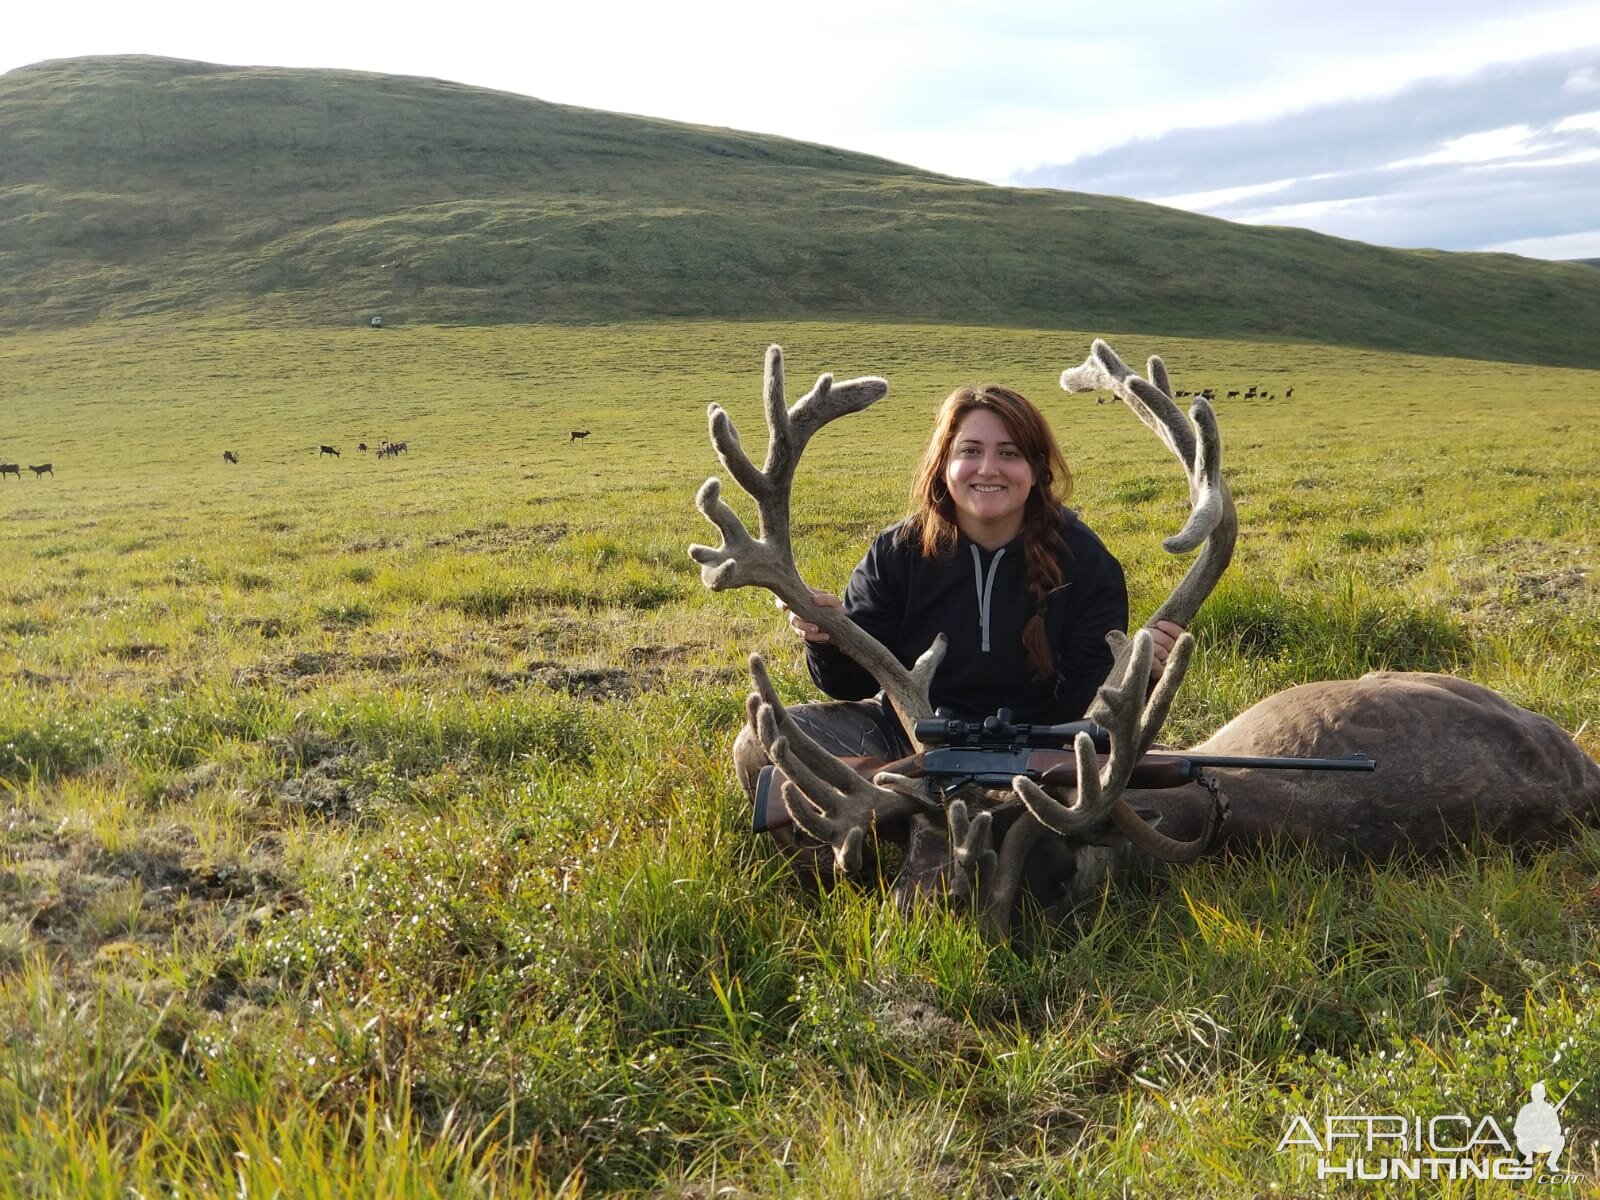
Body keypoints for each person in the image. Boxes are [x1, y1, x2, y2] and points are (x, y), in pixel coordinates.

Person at [731, 382, 1182, 879]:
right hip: (906, 740)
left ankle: (927, 832)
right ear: (944, 465)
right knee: (761, 740)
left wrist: (1143, 672)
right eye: (971, 451)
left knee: (1124, 809)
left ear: (1036, 470)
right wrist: (828, 637)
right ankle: (841, 869)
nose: (988, 469)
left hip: (1039, 757)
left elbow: (1088, 702)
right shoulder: (897, 553)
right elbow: (849, 684)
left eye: (1008, 453)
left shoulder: (1087, 562)